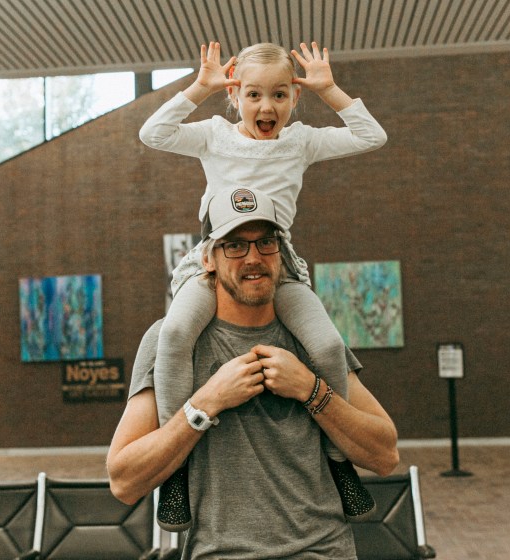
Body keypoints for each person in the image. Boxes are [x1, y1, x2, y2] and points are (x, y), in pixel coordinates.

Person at [139, 40, 388, 530]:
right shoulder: (214, 135)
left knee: (327, 345)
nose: (266, 106)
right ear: (235, 97)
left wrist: (330, 90)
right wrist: (200, 87)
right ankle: (177, 471)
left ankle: (339, 464)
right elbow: (153, 133)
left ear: (295, 98)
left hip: (278, 263)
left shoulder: (302, 142)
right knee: (174, 334)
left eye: (279, 94)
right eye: (253, 94)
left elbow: (371, 136)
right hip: (215, 259)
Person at [107, 187, 399, 559]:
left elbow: (385, 454)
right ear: (208, 258)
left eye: (265, 242)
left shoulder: (311, 340)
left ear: (281, 251)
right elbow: (124, 481)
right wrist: (204, 404)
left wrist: (312, 391)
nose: (254, 258)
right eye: (234, 245)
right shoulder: (167, 342)